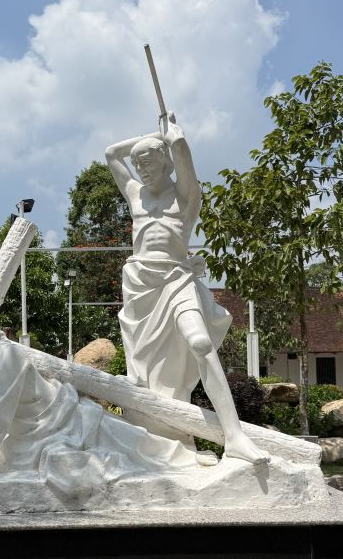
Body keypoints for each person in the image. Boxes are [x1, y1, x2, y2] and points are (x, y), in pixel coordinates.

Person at [105, 113, 269, 465]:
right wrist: (151, 134)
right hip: (141, 286)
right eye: (138, 164)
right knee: (147, 374)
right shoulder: (134, 194)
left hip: (177, 278)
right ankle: (161, 437)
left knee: (199, 342)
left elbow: (182, 154)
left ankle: (235, 437)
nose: (141, 170)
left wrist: (173, 139)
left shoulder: (185, 198)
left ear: (164, 162)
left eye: (147, 162)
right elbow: (111, 154)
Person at [0, 299, 199, 491]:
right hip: (24, 438)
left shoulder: (7, 354)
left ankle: (185, 460)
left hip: (63, 420)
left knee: (141, 446)